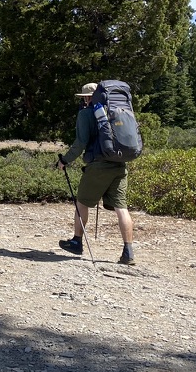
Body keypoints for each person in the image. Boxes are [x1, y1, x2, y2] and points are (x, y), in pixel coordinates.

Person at [56, 82, 136, 265]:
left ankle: (77, 242)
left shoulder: (86, 114)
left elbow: (80, 143)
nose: (83, 100)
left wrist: (64, 160)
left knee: (82, 203)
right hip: (120, 164)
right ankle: (128, 252)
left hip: (98, 166)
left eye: (84, 97)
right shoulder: (116, 111)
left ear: (87, 97)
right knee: (121, 208)